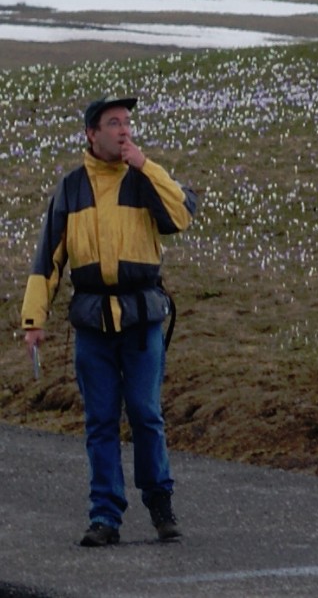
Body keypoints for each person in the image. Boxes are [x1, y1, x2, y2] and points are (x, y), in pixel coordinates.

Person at [21, 95, 198, 547]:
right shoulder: (71, 188)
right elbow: (49, 259)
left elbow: (180, 215)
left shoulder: (144, 179)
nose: (124, 131)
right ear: (91, 134)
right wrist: (33, 319)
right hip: (92, 323)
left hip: (141, 319)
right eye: (113, 123)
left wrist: (148, 166)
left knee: (145, 413)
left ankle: (160, 505)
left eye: (127, 123)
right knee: (100, 421)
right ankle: (105, 516)